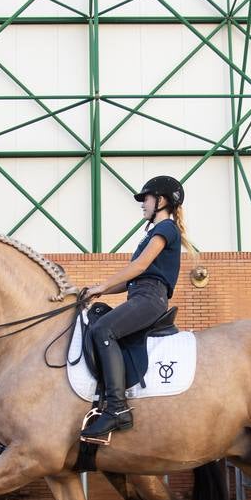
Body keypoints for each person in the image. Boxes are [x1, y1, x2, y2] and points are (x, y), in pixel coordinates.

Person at [80, 175, 193, 440]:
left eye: (147, 199)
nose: (143, 205)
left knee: (102, 331)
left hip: (150, 299)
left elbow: (139, 267)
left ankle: (117, 408)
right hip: (140, 294)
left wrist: (101, 286)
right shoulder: (154, 232)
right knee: (100, 323)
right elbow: (133, 278)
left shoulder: (165, 228)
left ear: (161, 201)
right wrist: (98, 290)